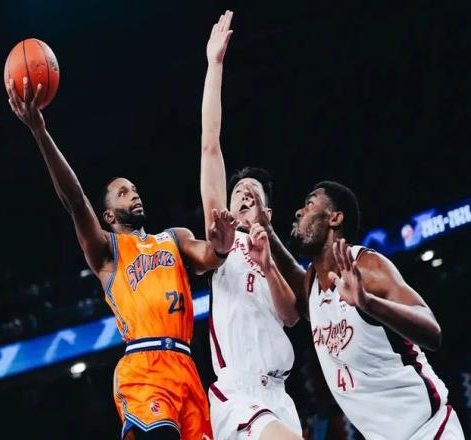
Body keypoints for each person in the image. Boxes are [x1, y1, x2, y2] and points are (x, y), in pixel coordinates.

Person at [6, 77, 239, 440]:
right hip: (144, 367)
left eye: (135, 189)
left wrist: (222, 246)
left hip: (186, 367)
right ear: (109, 215)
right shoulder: (108, 252)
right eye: (123, 192)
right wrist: (40, 132)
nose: (134, 194)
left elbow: (209, 257)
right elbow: (75, 200)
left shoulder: (173, 238)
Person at [250, 180, 465, 439]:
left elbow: (433, 333)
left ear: (335, 218)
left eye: (309, 204)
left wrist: (368, 303)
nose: (298, 212)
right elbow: (299, 290)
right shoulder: (312, 283)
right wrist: (267, 232)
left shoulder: (368, 268)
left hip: (428, 430)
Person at [200, 11, 302, 439]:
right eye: (237, 190)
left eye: (251, 192)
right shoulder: (222, 239)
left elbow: (291, 317)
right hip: (238, 394)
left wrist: (269, 265)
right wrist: (215, 65)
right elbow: (210, 146)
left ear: (267, 213)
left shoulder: (272, 256)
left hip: (279, 395)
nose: (242, 194)